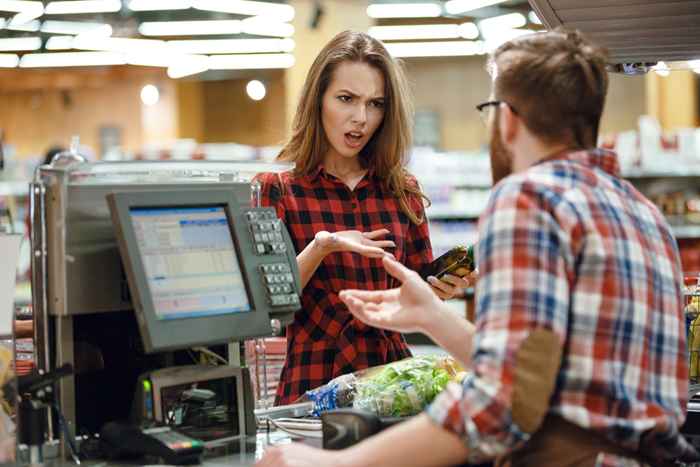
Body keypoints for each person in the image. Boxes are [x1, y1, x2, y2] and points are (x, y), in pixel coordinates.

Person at [256, 28, 699, 467]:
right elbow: (541, 377)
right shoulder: (645, 213)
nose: (362, 117)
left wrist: (336, 464)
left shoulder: (529, 198)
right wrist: (430, 315)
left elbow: (499, 401)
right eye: (347, 100)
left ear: (506, 118)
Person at [254, 30, 470, 406]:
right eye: (346, 99)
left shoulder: (402, 189)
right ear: (317, 100)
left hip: (394, 384)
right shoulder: (278, 190)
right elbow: (267, 300)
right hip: (312, 385)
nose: (361, 119)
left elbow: (416, 290)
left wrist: (440, 291)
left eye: (375, 104)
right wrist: (323, 246)